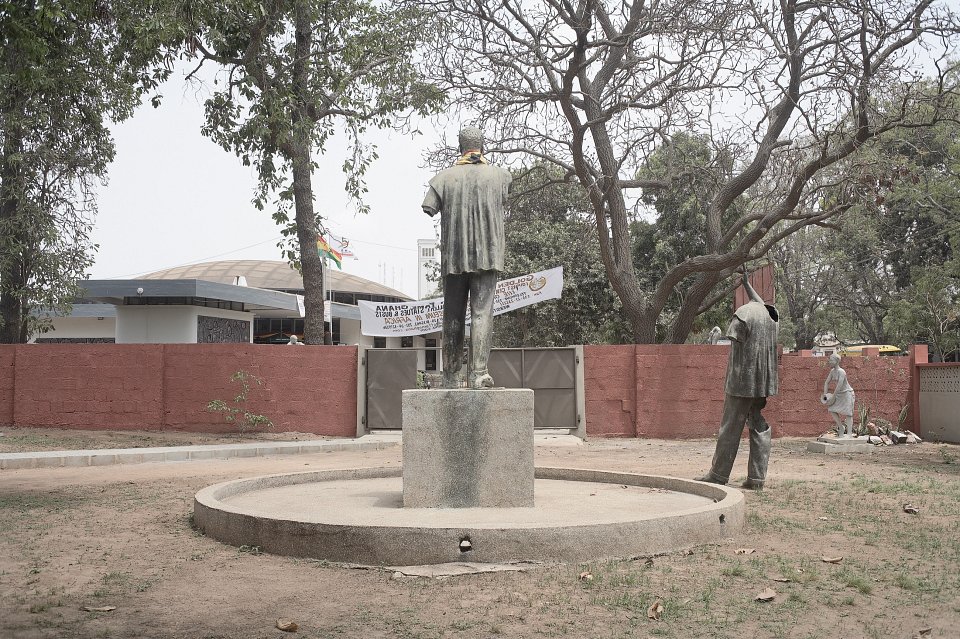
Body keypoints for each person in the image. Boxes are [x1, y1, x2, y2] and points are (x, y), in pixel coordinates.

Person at [421, 126, 512, 389]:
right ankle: (479, 374)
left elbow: (428, 206)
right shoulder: (500, 176)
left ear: (459, 146)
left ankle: (450, 376)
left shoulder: (443, 178)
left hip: (454, 258)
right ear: (482, 145)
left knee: (452, 315)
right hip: (488, 255)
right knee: (483, 313)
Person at [697, 269, 779, 490]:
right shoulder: (769, 314)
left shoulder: (741, 315)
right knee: (759, 425)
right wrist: (747, 284)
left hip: (741, 382)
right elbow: (759, 302)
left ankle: (718, 474)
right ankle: (757, 479)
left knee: (729, 429)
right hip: (763, 383)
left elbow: (734, 337)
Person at [822, 353, 855, 436]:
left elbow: (839, 385)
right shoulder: (832, 371)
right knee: (832, 409)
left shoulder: (842, 372)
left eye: (831, 360)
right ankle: (841, 427)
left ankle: (849, 433)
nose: (829, 362)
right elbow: (826, 382)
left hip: (847, 393)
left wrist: (833, 397)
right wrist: (825, 395)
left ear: (836, 361)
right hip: (839, 394)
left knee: (848, 414)